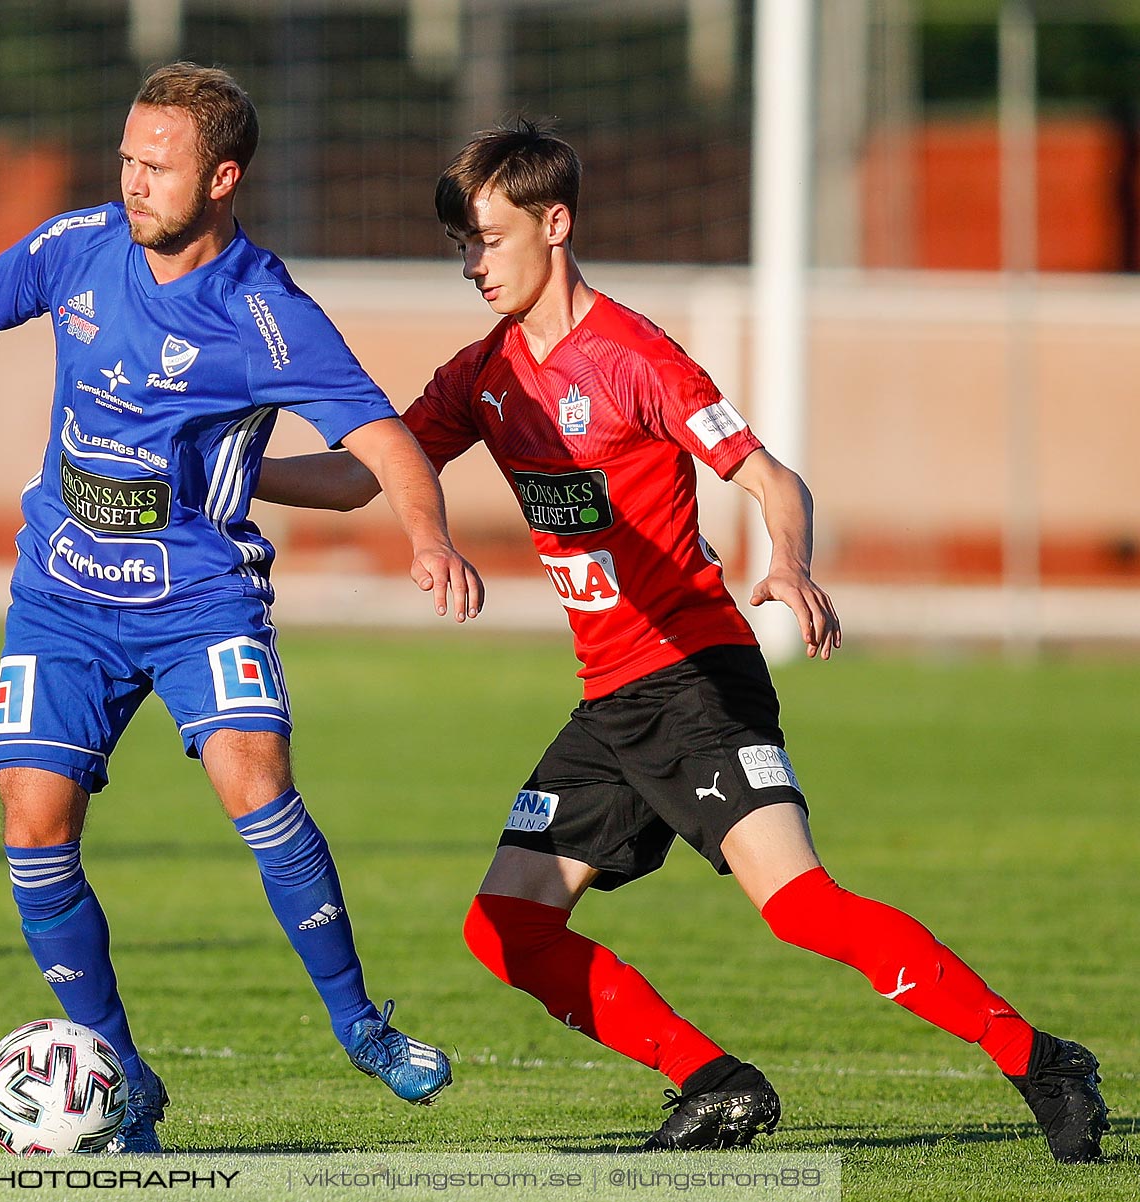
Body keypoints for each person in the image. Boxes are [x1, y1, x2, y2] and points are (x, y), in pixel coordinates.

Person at [256, 121, 1108, 1163]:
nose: (473, 264)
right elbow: (363, 475)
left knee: (799, 904)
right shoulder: (484, 375)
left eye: (487, 238)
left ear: (555, 222)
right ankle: (717, 1082)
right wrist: (230, 474)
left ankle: (1040, 1056)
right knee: (506, 927)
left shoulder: (634, 358)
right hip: (612, 703)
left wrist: (787, 562)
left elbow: (767, 475)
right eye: (461, 246)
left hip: (697, 678)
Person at [0, 63, 481, 1152]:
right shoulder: (76, 247)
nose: (131, 181)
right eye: (125, 158)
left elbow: (384, 440)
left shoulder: (265, 312)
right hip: (61, 596)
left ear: (220, 177)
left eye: (153, 167)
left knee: (254, 783)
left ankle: (362, 1026)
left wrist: (428, 535)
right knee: (33, 824)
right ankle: (121, 1079)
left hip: (202, 597)